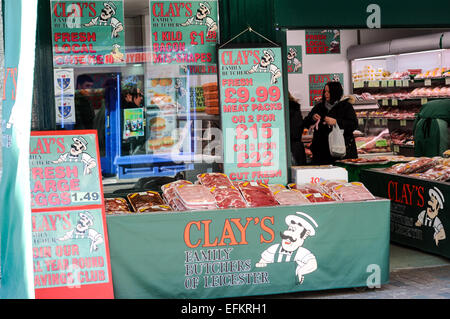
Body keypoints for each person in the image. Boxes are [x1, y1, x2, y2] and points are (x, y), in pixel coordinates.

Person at [303, 81, 358, 165]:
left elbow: (353, 124)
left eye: (329, 91)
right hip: (321, 153)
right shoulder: (319, 107)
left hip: (341, 152)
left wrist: (336, 122)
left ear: (336, 92)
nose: (326, 94)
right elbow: (306, 122)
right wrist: (313, 118)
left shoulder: (346, 106)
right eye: (325, 91)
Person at [288, 92, 306, 166]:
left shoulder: (290, 109)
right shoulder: (295, 108)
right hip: (297, 148)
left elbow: (295, 132)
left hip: (292, 147)